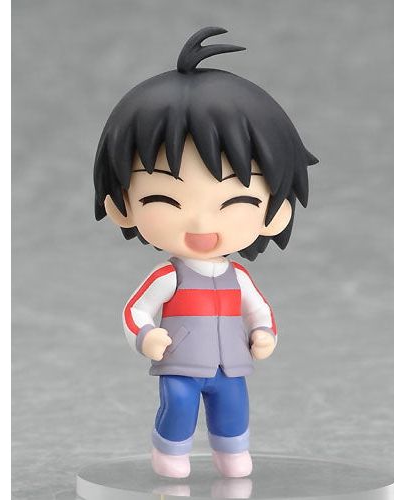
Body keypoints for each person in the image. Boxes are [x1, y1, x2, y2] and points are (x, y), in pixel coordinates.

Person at [93, 26, 317, 478]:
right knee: (177, 405)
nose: (200, 225)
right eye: (164, 199)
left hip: (230, 365)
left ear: (275, 214)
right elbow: (136, 311)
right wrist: (146, 337)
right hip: (179, 362)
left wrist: (264, 334)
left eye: (235, 202)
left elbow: (259, 311)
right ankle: (170, 452)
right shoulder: (168, 277)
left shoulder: (239, 279)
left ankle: (231, 453)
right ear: (122, 206)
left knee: (233, 408)